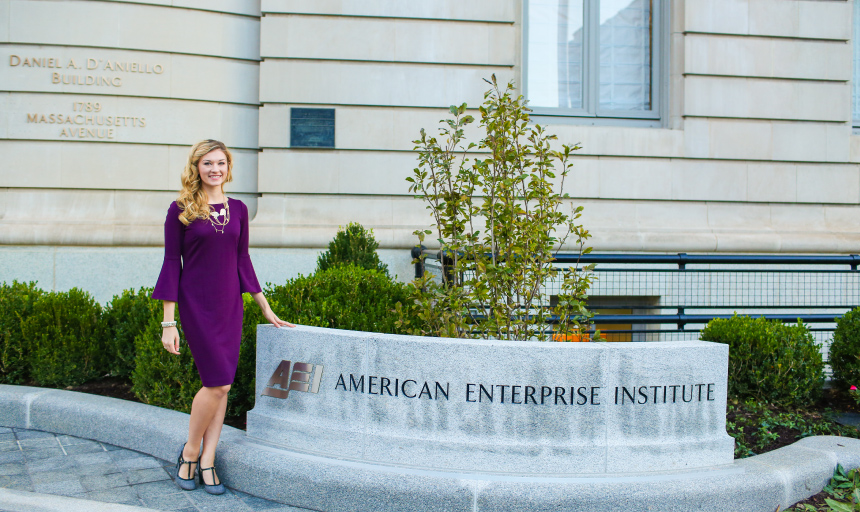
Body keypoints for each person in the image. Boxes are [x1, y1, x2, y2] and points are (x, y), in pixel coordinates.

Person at [152, 139, 294, 494]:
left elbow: (242, 260)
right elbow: (172, 263)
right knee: (216, 383)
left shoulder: (240, 210)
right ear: (196, 168)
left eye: (220, 163)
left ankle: (208, 459)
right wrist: (168, 322)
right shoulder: (180, 209)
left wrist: (264, 306)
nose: (214, 169)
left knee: (223, 386)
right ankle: (189, 450)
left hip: (230, 304)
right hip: (196, 303)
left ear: (228, 168)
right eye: (207, 163)